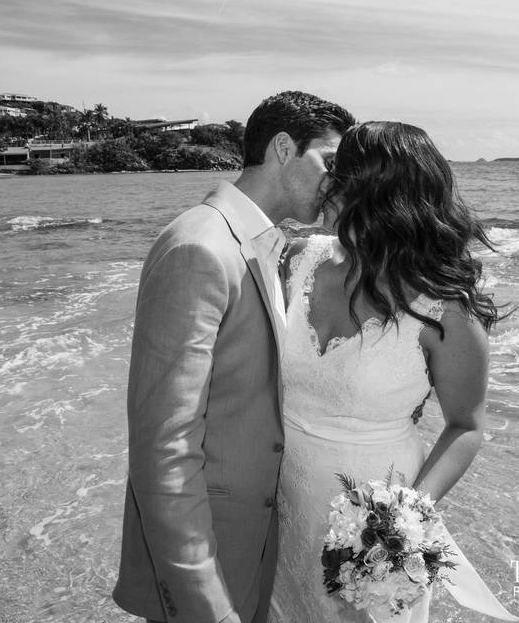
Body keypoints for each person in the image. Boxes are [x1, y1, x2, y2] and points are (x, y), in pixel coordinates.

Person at [269, 121, 519, 622]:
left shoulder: (446, 312)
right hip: (280, 495)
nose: (325, 182)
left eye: (339, 171)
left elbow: (467, 425)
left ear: (374, 194)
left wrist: (406, 520)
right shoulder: (298, 260)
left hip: (372, 520)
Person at [112, 91, 355, 623]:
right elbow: (164, 446)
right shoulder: (201, 248)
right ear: (284, 148)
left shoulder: (259, 243)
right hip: (208, 555)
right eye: (330, 162)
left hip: (250, 538)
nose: (336, 181)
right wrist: (204, 606)